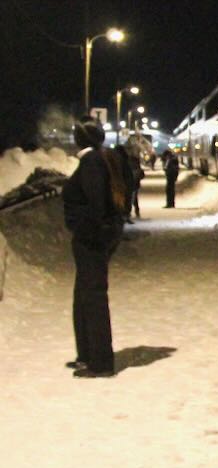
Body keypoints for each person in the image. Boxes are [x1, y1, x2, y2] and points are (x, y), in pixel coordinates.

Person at [62, 116, 127, 378]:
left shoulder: (90, 162)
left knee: (93, 298)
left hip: (92, 240)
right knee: (84, 297)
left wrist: (85, 232)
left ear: (81, 139)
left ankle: (100, 363)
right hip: (95, 238)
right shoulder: (98, 159)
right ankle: (86, 354)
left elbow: (96, 204)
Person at [121, 140, 143, 221]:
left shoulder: (132, 160)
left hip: (133, 183)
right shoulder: (127, 160)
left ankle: (129, 213)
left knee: (132, 198)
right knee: (131, 198)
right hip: (130, 183)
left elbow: (139, 171)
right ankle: (128, 214)